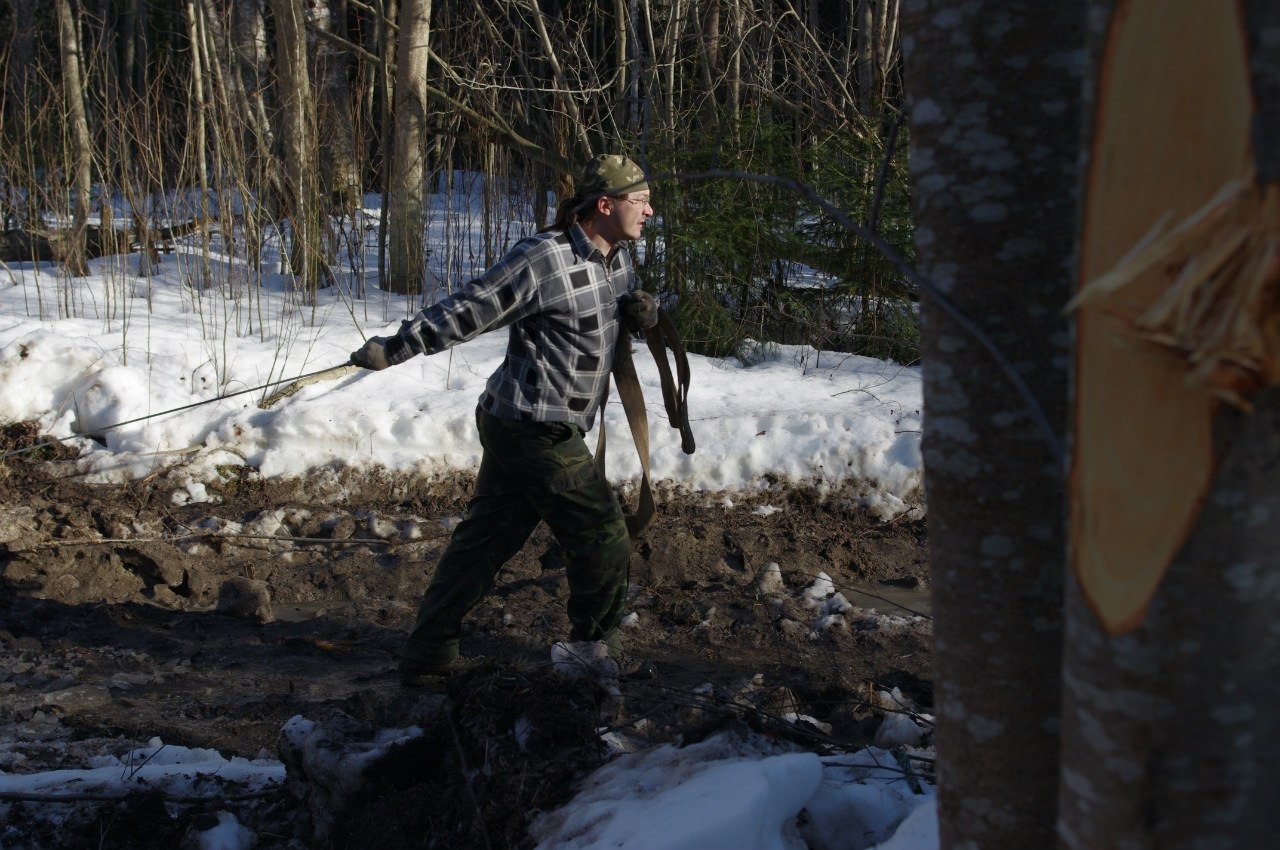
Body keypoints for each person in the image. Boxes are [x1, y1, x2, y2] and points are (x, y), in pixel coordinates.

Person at [350, 154, 658, 687]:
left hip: (532, 420)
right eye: (641, 201)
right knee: (604, 534)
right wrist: (397, 346)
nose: (650, 211)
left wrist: (635, 312)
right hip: (532, 426)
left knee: (485, 542)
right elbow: (473, 305)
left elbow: (603, 309)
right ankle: (591, 653)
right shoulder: (543, 258)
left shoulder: (617, 258)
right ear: (605, 205)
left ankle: (428, 654)